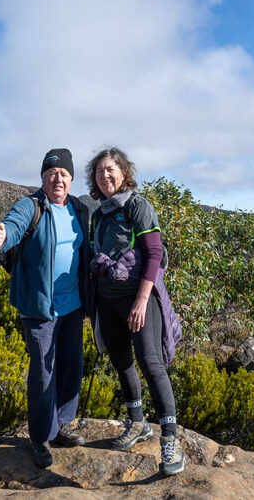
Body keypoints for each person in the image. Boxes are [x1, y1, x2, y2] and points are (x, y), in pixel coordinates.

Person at [0, 148, 89, 468]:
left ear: (71, 179)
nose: (58, 179)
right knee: (43, 373)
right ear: (43, 177)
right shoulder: (30, 206)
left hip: (72, 306)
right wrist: (1, 235)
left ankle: (61, 424)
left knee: (71, 365)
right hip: (39, 307)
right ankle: (40, 437)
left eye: (64, 174)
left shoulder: (80, 209)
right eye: (52, 173)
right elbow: (13, 226)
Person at [86, 147, 185, 477]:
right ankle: (138, 422)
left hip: (138, 297)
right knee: (121, 361)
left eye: (110, 170)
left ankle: (170, 439)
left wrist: (142, 301)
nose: (105, 175)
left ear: (124, 172)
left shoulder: (137, 206)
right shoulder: (98, 213)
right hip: (107, 299)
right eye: (99, 171)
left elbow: (154, 255)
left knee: (150, 362)